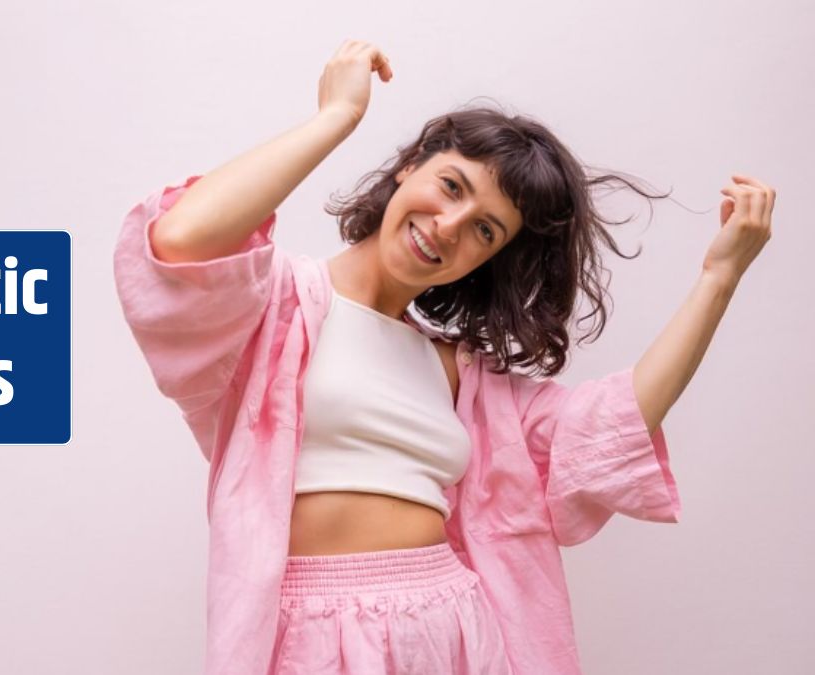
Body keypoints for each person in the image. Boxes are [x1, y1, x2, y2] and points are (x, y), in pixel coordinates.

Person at [112, 39, 775, 675]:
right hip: (312, 634)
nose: (449, 226)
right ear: (412, 164)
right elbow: (179, 241)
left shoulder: (459, 373)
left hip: (456, 626)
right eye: (452, 186)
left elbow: (611, 426)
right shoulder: (278, 305)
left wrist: (719, 278)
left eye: (485, 229)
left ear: (489, 256)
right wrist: (336, 117)